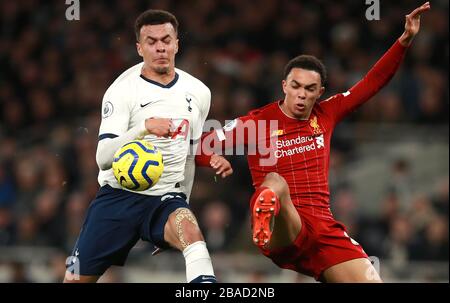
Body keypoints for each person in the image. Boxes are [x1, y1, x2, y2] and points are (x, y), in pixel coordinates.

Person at [196, 2, 431, 282]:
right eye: (295, 86)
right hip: (281, 230)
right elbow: (199, 145)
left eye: (309, 89)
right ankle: (264, 216)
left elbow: (372, 83)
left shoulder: (327, 113)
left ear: (319, 92)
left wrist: (403, 41)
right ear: (284, 85)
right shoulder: (256, 122)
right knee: (275, 182)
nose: (301, 95)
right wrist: (212, 159)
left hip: (323, 232)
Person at [64, 9, 232, 283]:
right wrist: (144, 128)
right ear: (139, 48)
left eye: (166, 40)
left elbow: (188, 154)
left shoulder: (199, 92)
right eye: (151, 42)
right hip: (118, 198)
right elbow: (103, 157)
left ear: (177, 43)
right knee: (74, 280)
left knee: (192, 234)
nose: (160, 47)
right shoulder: (122, 91)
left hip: (166, 199)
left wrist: (185, 200)